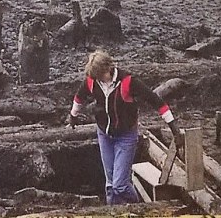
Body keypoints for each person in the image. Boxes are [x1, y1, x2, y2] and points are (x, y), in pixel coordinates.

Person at [68, 50, 183, 205]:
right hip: (104, 134)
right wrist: (73, 116)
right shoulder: (92, 80)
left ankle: (139, 207)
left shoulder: (128, 81)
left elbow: (156, 102)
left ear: (108, 68)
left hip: (126, 135)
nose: (98, 80)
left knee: (120, 185)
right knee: (110, 186)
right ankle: (112, 211)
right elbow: (79, 97)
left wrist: (174, 128)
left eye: (101, 76)